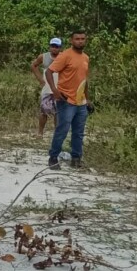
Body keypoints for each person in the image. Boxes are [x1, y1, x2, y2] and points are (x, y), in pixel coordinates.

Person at [46, 30, 91, 170]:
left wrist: (88, 99)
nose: (80, 41)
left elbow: (84, 79)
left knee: (79, 132)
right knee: (63, 130)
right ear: (71, 40)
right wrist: (55, 90)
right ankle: (53, 157)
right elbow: (49, 71)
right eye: (77, 39)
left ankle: (76, 158)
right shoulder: (65, 55)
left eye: (83, 38)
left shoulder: (85, 57)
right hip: (66, 100)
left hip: (80, 101)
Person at [31, 38, 63, 137]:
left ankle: (57, 133)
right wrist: (41, 80)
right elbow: (34, 66)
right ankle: (40, 132)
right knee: (43, 110)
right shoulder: (43, 57)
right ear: (49, 46)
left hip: (60, 88)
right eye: (52, 46)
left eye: (56, 47)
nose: (54, 48)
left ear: (60, 48)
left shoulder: (63, 57)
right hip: (47, 88)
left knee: (58, 112)